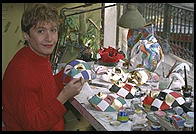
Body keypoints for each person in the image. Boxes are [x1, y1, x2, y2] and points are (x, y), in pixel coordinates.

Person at [2, 3, 84, 131]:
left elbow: (44, 87)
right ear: (26, 35)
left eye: (53, 30)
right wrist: (64, 96)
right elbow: (33, 126)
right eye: (41, 31)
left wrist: (66, 73)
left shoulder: (37, 55)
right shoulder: (22, 72)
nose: (49, 38)